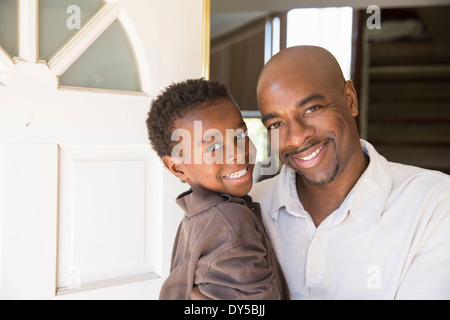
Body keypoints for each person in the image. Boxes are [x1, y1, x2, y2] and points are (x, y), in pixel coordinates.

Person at [250, 45, 450, 299]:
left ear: (350, 99)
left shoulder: (436, 204)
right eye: (277, 123)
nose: (297, 136)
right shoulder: (246, 208)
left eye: (311, 109)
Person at [146, 78, 289, 300]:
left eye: (240, 135)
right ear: (176, 166)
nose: (239, 153)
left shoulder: (196, 217)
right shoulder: (230, 220)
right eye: (213, 147)